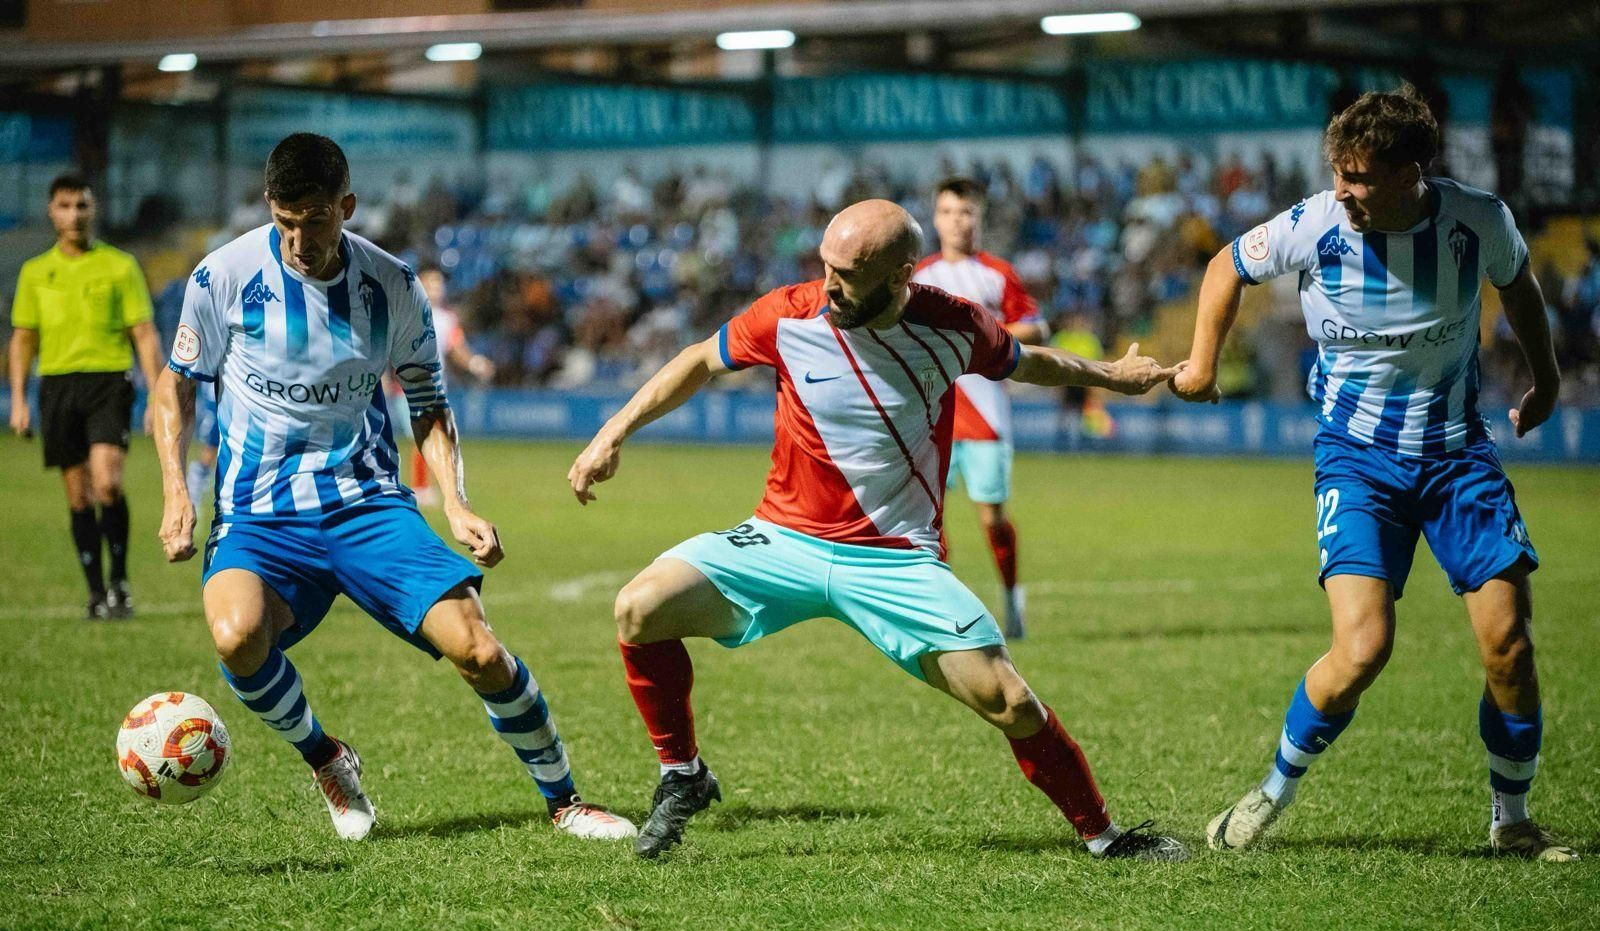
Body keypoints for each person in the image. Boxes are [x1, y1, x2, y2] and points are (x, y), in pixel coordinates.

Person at [569, 199, 1188, 862]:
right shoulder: (788, 313)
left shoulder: (953, 326)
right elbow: (698, 358)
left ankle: (1105, 835)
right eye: (826, 267)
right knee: (639, 607)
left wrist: (1112, 377)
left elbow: (1032, 361)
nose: (829, 285)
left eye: (848, 274)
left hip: (894, 560)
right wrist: (614, 432)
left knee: (1009, 700)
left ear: (899, 276)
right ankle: (683, 774)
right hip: (781, 540)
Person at [150, 133, 634, 844]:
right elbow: (176, 386)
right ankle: (326, 756)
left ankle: (566, 800)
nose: (298, 239)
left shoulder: (392, 285)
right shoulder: (220, 278)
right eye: (285, 220)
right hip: (259, 514)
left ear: (346, 206)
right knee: (236, 637)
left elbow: (428, 401)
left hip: (367, 503)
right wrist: (175, 489)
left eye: (315, 219)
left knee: (479, 652)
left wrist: (457, 500)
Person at [1171, 87, 1575, 861]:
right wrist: (1201, 360)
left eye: (1359, 176)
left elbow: (1519, 284)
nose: (1343, 190)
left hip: (1458, 456)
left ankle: (1512, 818)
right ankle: (1269, 794)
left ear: (1410, 172)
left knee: (1510, 648)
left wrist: (1547, 378)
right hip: (1357, 462)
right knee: (1362, 650)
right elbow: (1227, 265)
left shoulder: (1475, 220)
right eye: (1338, 172)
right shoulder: (1317, 224)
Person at [8, 174, 163, 620]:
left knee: (108, 483)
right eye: (65, 206)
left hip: (108, 382)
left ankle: (120, 583)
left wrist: (156, 396)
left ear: (93, 210)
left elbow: (144, 334)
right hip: (56, 386)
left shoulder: (120, 266)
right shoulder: (36, 272)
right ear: (51, 212)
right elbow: (22, 340)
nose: (74, 214)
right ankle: (96, 592)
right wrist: (19, 399)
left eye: (82, 205)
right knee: (78, 497)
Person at [912, 177, 1047, 638]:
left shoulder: (997, 273)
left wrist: (986, 334)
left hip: (988, 419)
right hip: (934, 418)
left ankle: (1012, 600)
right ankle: (941, 610)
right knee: (928, 518)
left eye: (966, 212)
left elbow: (1036, 329)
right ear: (935, 218)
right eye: (948, 212)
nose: (957, 221)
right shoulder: (918, 276)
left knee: (992, 517)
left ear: (979, 218)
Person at [392, 267, 495, 507]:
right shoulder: (407, 312)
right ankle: (420, 488)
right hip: (409, 389)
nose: (438, 289)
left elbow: (457, 349)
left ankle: (428, 487)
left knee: (437, 437)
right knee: (424, 437)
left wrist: (474, 362)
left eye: (440, 285)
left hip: (438, 388)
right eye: (433, 284)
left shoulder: (448, 319)